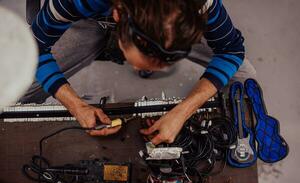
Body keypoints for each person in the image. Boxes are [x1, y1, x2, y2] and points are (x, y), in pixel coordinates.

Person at [22, 0, 256, 145]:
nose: (136, 71)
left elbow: (231, 51)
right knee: (15, 84)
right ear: (118, 16)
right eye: (138, 63)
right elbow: (33, 47)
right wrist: (75, 104)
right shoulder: (74, 1)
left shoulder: (200, 3)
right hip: (89, 19)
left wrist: (184, 110)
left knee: (245, 79)